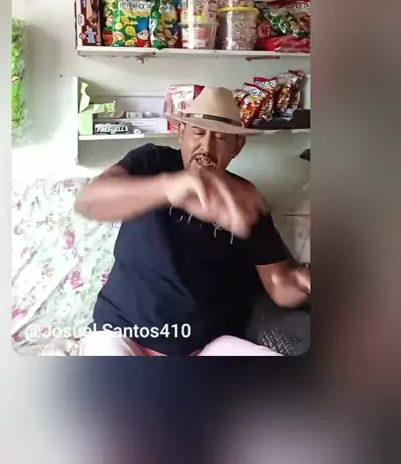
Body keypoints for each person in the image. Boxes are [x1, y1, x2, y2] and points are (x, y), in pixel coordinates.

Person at [75, 87, 310, 356]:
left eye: (220, 138)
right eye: (198, 133)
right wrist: (168, 188)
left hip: (205, 347)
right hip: (121, 334)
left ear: (237, 146)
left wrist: (304, 282)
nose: (207, 147)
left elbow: (279, 285)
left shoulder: (245, 198)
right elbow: (89, 201)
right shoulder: (152, 162)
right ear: (181, 132)